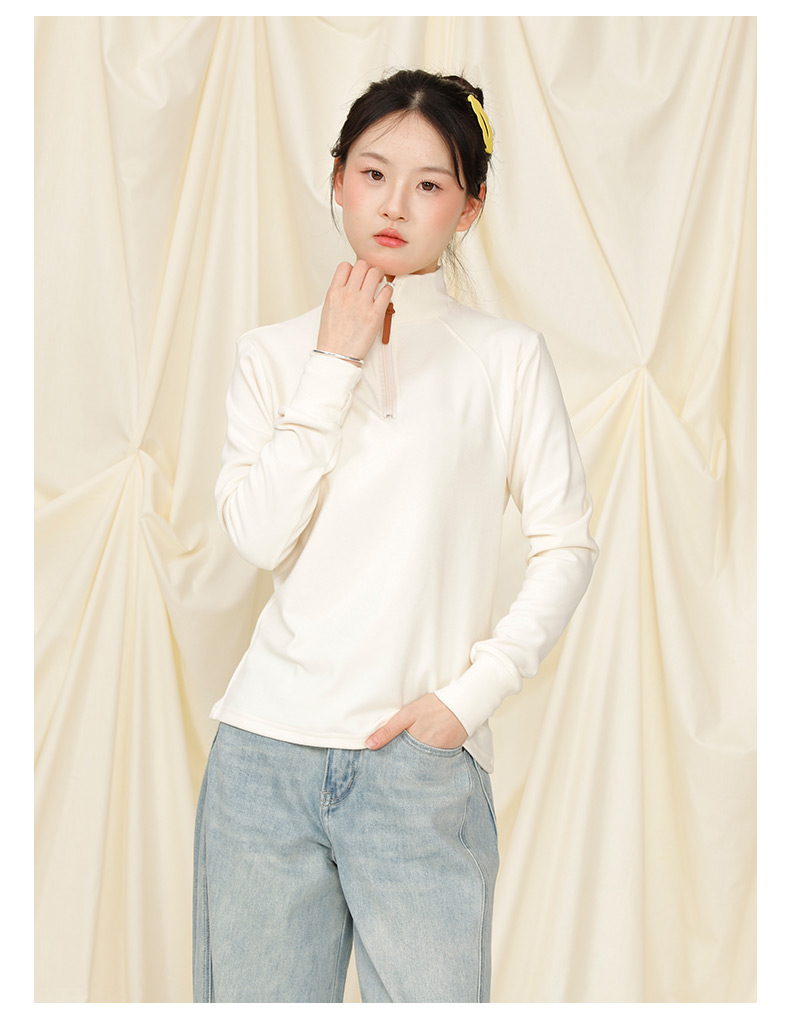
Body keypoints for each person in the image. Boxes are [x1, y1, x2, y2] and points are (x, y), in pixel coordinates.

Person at [193, 68, 598, 1004]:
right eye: (373, 174)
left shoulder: (505, 358)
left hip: (418, 767)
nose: (394, 205)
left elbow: (566, 545)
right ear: (337, 177)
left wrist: (467, 699)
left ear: (470, 207)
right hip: (262, 760)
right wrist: (332, 362)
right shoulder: (272, 353)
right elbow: (257, 536)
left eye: (429, 184)